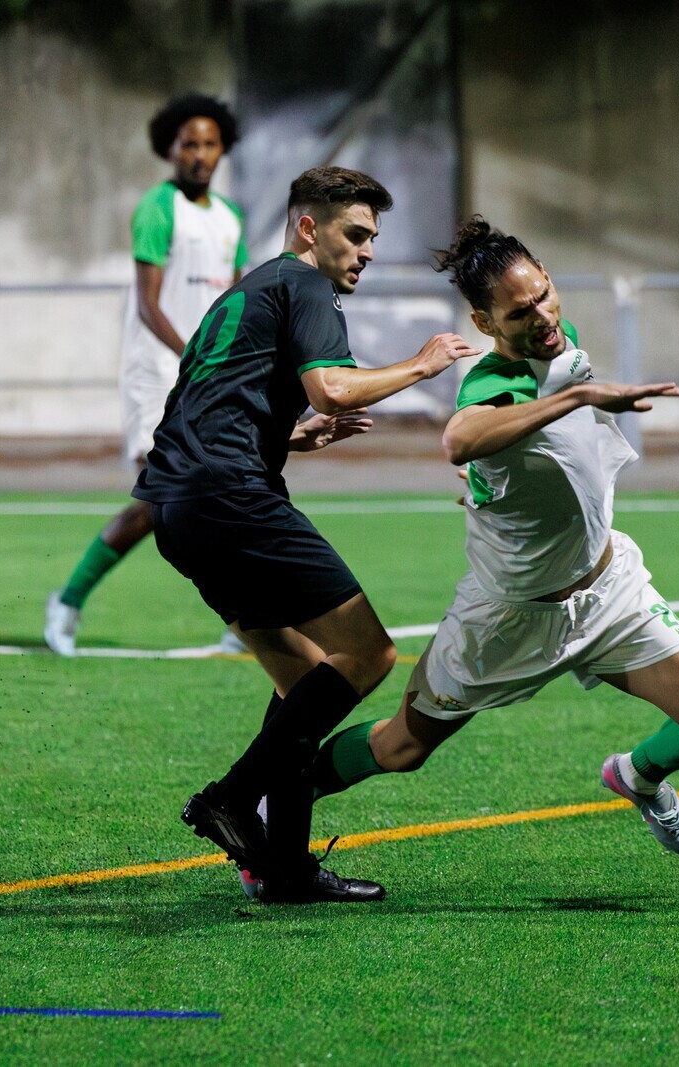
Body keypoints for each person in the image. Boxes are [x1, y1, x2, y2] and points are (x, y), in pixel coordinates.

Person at [258, 217, 679, 895]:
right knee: (403, 747)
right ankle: (283, 800)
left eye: (543, 295)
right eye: (519, 313)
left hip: (607, 592)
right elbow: (460, 439)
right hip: (507, 619)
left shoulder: (559, 339)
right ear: (485, 323)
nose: (542, 318)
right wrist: (575, 401)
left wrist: (498, 485)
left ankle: (638, 775)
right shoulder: (492, 381)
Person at [134, 167, 480, 903]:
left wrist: (289, 436)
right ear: (308, 228)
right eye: (355, 234)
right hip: (231, 498)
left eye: (372, 238)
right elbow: (332, 386)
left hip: (177, 504)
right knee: (369, 653)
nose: (366, 251)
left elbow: (205, 399)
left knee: (303, 679)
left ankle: (285, 870)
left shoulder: (249, 289)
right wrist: (421, 365)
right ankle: (232, 799)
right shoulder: (306, 284)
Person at [44, 93, 367, 655]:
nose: (200, 154)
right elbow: (148, 305)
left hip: (209, 375)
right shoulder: (158, 207)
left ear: (223, 150)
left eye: (210, 144)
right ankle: (70, 600)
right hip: (159, 371)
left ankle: (249, 616)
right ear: (169, 148)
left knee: (203, 490)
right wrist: (197, 356)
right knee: (167, 497)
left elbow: (240, 296)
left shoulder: (229, 217)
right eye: (189, 144)